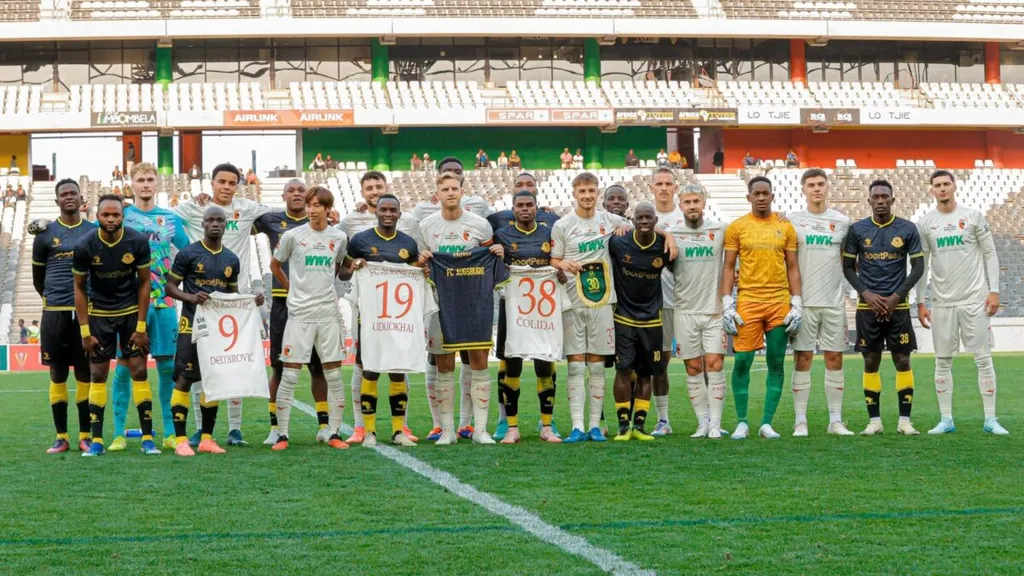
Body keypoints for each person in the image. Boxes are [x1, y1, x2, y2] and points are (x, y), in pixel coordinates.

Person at [174, 162, 270, 446]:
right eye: (221, 182)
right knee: (199, 368)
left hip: (236, 300)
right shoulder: (194, 208)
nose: (227, 187)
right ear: (211, 183)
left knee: (233, 363)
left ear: (238, 185)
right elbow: (160, 217)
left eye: (232, 182)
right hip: (200, 301)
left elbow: (282, 214)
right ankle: (201, 429)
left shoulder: (248, 208)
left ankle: (235, 429)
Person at [104, 162, 190, 453]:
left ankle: (168, 432)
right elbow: (90, 238)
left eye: (150, 179)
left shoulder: (171, 219)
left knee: (167, 369)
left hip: (164, 304)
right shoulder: (122, 216)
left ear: (157, 183)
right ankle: (117, 433)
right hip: (128, 307)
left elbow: (188, 254)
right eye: (140, 179)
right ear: (131, 183)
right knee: (125, 368)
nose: (145, 184)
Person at [916, 170, 1007, 435]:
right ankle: (946, 419)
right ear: (931, 190)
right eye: (937, 185)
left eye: (946, 184)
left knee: (983, 358)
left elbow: (990, 253)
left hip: (974, 300)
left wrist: (994, 291)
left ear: (954, 186)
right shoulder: (926, 223)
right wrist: (920, 301)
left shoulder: (973, 216)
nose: (942, 188)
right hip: (943, 303)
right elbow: (923, 264)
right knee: (942, 361)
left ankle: (991, 419)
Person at [417, 171, 502, 445]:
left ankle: (479, 430)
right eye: (446, 189)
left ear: (462, 191)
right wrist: (424, 260)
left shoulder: (479, 225)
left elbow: (490, 258)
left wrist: (497, 254)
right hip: (440, 305)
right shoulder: (427, 226)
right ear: (437, 193)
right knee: (444, 367)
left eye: (455, 188)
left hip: (474, 304)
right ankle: (447, 430)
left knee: (478, 364)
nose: (451, 193)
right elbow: (420, 264)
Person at [337, 171, 421, 444]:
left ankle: (398, 430)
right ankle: (369, 430)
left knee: (398, 369)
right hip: (370, 316)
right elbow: (343, 273)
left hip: (400, 318)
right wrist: (355, 265)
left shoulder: (408, 243)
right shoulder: (360, 240)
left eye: (392, 210)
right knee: (369, 368)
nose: (387, 214)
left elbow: (417, 274)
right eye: (383, 209)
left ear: (399, 214)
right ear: (376, 212)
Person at [719, 176, 803, 440]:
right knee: (742, 361)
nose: (761, 197)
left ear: (773, 196)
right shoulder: (737, 227)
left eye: (766, 193)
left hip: (779, 302)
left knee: (776, 362)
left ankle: (767, 422)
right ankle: (742, 422)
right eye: (756, 193)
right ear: (749, 197)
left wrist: (796, 302)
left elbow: (792, 266)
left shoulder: (785, 227)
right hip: (748, 301)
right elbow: (728, 266)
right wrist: (726, 302)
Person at [269, 185, 350, 451]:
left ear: (328, 208)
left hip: (327, 314)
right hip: (299, 315)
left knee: (334, 375)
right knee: (289, 375)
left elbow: (337, 266)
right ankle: (282, 434)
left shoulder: (338, 238)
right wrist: (291, 288)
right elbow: (275, 264)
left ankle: (334, 432)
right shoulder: (293, 235)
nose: (312, 210)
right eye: (309, 205)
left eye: (317, 205)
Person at [73, 194, 154, 457]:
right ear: (97, 216)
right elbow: (78, 287)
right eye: (105, 215)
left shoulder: (138, 242)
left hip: (130, 311)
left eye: (115, 215)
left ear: (123, 216)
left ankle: (147, 440)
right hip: (99, 314)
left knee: (139, 371)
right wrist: (85, 332)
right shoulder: (85, 245)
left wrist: (141, 327)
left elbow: (145, 283)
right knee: (97, 374)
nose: (110, 219)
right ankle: (97, 441)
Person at [842, 180, 924, 436]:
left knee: (902, 359)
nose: (880, 201)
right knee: (871, 360)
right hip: (868, 307)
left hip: (897, 307)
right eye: (875, 197)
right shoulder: (857, 230)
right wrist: (865, 293)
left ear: (892, 199)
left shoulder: (908, 228)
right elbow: (847, 267)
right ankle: (874, 421)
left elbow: (919, 267)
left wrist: (896, 296)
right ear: (868, 201)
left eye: (884, 197)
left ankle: (904, 421)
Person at [254, 179, 332, 447]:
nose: (297, 194)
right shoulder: (271, 220)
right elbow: (240, 225)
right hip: (282, 303)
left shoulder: (323, 223)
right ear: (284, 195)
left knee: (317, 367)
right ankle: (276, 428)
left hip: (317, 304)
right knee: (279, 367)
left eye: (302, 191)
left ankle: (324, 426)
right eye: (292, 191)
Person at [165, 206, 240, 456]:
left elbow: (232, 296)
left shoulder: (232, 259)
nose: (215, 224)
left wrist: (252, 301)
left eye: (220, 220)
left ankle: (207, 438)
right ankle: (181, 440)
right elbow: (170, 287)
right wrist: (191, 296)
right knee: (184, 379)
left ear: (226, 224)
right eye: (210, 220)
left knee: (212, 381)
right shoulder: (188, 253)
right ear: (203, 223)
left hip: (218, 330)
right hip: (191, 325)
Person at [787, 169, 854, 437]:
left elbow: (846, 260)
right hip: (803, 302)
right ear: (803, 189)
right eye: (811, 185)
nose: (816, 189)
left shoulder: (842, 222)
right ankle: (800, 421)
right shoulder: (792, 221)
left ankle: (835, 421)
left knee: (834, 358)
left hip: (833, 302)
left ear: (828, 188)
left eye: (821, 184)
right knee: (802, 359)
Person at [492, 190, 562, 444]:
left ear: (536, 207)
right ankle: (512, 427)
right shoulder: (502, 236)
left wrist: (560, 273)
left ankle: (546, 426)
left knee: (544, 366)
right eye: (520, 205)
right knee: (512, 366)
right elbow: (494, 269)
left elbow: (558, 261)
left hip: (544, 310)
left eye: (529, 204)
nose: (524, 209)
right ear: (513, 209)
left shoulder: (548, 234)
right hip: (513, 308)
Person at [32, 179, 97, 454]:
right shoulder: (45, 235)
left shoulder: (93, 232)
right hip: (55, 312)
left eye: (73, 193)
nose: (69, 197)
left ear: (82, 199)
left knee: (85, 374)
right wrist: (54, 298)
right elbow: (38, 278)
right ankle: (61, 437)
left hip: (87, 314)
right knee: (57, 373)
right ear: (57, 200)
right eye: (63, 194)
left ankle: (84, 435)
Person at [668, 184, 728, 438]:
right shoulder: (671, 233)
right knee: (693, 367)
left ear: (704, 203)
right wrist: (664, 232)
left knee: (714, 365)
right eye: (687, 202)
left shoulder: (721, 229)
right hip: (684, 311)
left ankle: (715, 422)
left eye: (696, 201)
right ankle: (702, 421)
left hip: (714, 311)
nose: (692, 206)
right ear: (679, 205)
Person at [609, 202, 670, 442]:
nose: (644, 222)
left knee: (647, 373)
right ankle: (623, 427)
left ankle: (640, 427)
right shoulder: (618, 242)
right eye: (640, 218)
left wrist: (669, 236)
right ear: (632, 220)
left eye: (648, 218)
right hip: (624, 317)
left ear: (656, 221)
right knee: (623, 370)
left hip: (653, 319)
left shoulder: (663, 245)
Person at [648, 168, 687, 436]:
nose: (663, 188)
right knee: (659, 363)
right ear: (651, 188)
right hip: (655, 303)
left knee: (698, 362)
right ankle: (663, 420)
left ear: (676, 187)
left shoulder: (686, 217)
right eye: (659, 184)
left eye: (668, 183)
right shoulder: (642, 218)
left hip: (687, 299)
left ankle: (708, 419)